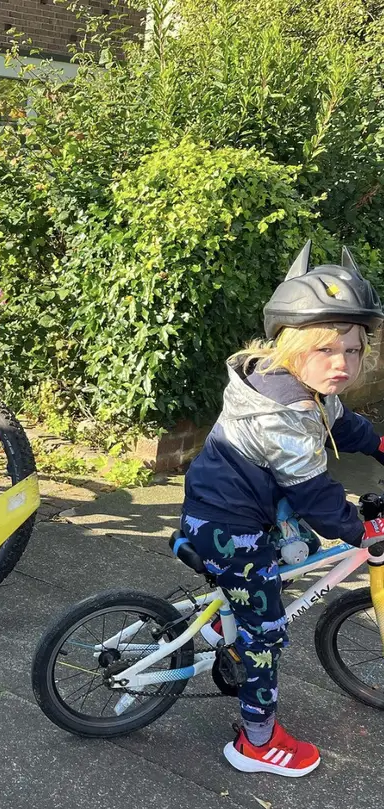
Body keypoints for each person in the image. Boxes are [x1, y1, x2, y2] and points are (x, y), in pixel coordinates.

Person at [181, 240, 384, 776]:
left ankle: (219, 624)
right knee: (267, 633)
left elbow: (342, 424)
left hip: (241, 506)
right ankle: (255, 742)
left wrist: (380, 445)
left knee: (297, 553)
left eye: (355, 349)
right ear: (292, 345)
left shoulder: (303, 386)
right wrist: (361, 529)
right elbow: (316, 493)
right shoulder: (283, 410)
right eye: (327, 349)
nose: (342, 364)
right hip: (229, 524)